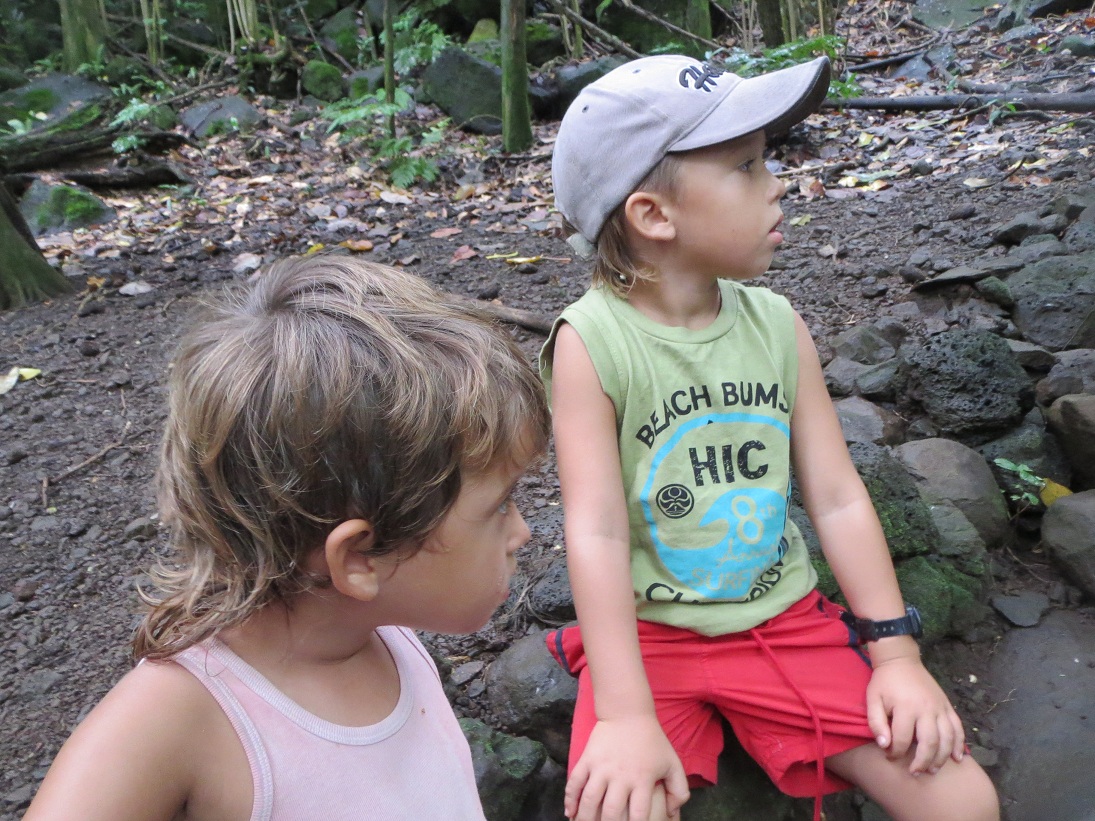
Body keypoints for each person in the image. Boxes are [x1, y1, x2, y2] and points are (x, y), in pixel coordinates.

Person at [540, 55, 1000, 821]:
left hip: (781, 624)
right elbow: (595, 530)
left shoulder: (778, 325)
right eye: (747, 166)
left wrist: (894, 652)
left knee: (963, 801)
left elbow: (836, 495)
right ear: (653, 215)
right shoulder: (590, 343)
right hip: (648, 637)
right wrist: (623, 714)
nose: (778, 183)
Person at [24, 255, 551, 821]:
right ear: (358, 559)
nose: (522, 532)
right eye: (500, 505)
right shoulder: (174, 723)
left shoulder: (381, 629)